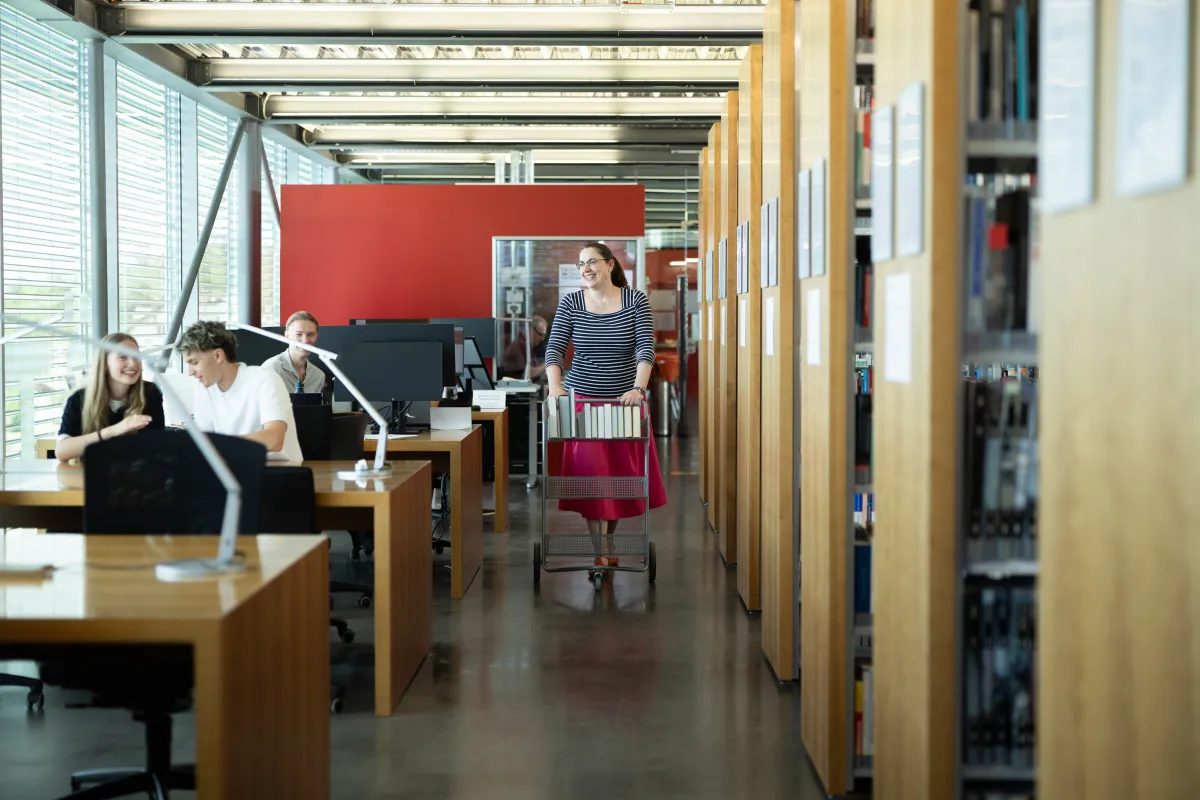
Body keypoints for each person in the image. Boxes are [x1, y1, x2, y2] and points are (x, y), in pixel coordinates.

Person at [544, 242, 668, 575]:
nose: (585, 269)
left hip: (623, 403)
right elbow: (554, 348)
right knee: (591, 478)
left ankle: (606, 544)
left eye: (592, 262)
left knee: (615, 480)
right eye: (580, 264)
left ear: (610, 264)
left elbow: (645, 349)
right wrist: (556, 385)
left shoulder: (635, 300)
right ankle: (600, 550)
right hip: (583, 402)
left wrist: (638, 388)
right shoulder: (571, 303)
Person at [176, 320, 304, 462]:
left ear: (218, 356)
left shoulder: (264, 379)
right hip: (233, 467)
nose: (190, 372)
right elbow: (206, 444)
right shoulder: (205, 389)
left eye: (194, 363)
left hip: (276, 468)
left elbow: (274, 439)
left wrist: (222, 444)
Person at [55, 333, 166, 463]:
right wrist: (114, 430)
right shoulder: (79, 399)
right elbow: (61, 452)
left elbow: (158, 447)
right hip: (92, 473)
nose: (132, 363)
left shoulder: (150, 393)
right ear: (105, 363)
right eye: (122, 357)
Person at [263, 310, 327, 395]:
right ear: (287, 336)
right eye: (299, 334)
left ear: (316, 336)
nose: (305, 340)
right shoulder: (271, 369)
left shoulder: (318, 376)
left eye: (310, 334)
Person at [503, 314, 548, 381]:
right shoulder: (518, 345)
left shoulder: (529, 346)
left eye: (544, 335)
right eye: (540, 334)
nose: (542, 339)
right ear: (530, 330)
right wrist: (548, 363)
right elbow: (528, 374)